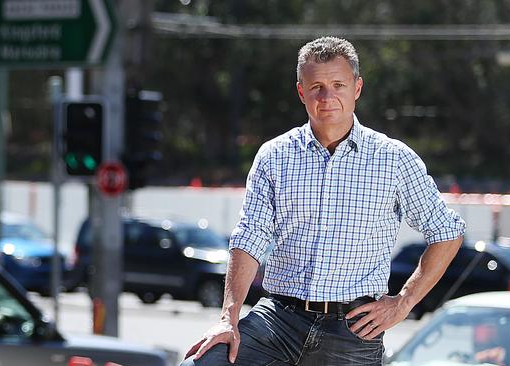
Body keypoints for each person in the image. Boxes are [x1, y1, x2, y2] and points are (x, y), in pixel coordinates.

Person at [181, 37, 466, 365]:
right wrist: (228, 319)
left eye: (338, 85)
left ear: (357, 88)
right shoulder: (275, 156)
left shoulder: (394, 159)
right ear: (301, 92)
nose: (327, 96)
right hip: (278, 321)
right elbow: (249, 238)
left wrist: (402, 302)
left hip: (352, 331)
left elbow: (447, 232)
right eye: (316, 86)